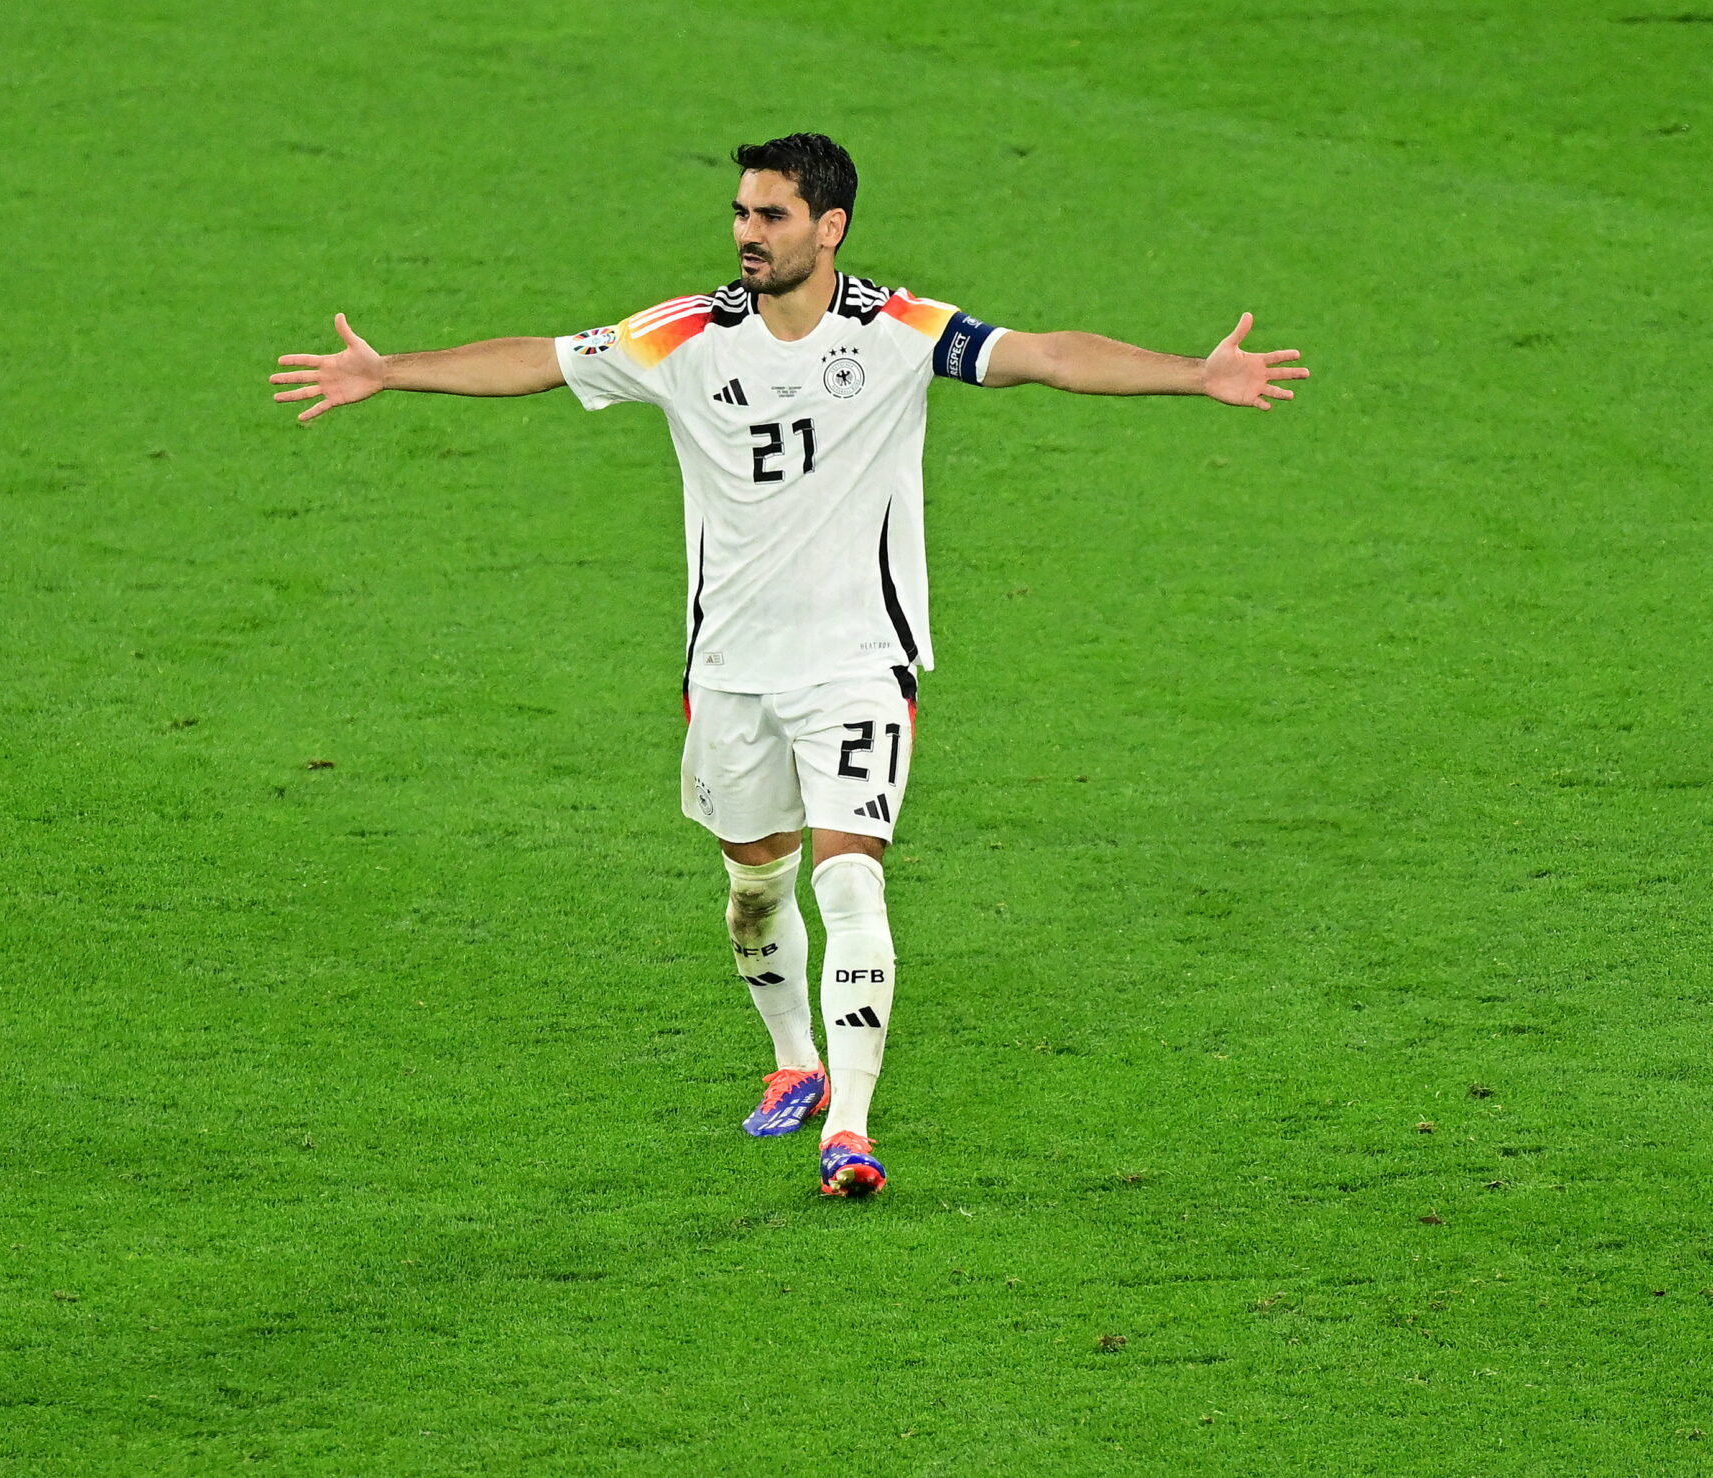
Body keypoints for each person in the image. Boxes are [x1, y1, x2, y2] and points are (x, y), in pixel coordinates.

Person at [267, 132, 1307, 1197]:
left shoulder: (900, 329)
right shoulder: (685, 336)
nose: (745, 234)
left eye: (769, 216)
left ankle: (848, 1130)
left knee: (851, 879)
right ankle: (795, 1060)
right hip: (727, 671)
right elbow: (534, 359)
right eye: (740, 213)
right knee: (754, 887)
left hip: (857, 662)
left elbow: (1045, 355)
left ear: (830, 226)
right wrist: (387, 372)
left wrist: (1194, 376)